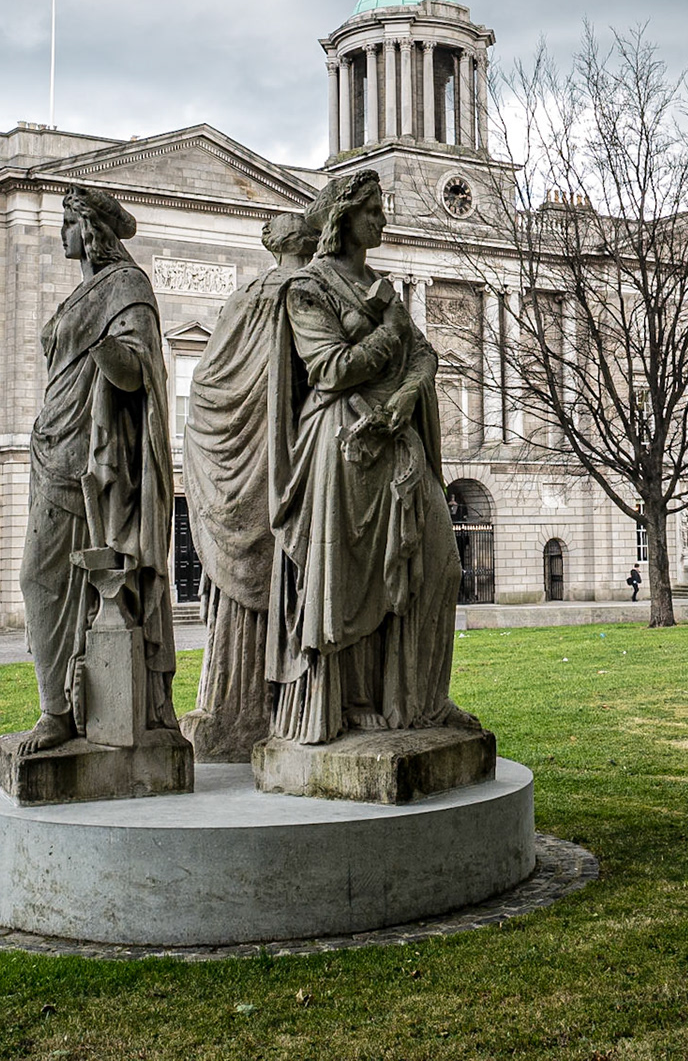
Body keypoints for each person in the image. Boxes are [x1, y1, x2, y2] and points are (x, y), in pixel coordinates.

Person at [264, 169, 481, 744]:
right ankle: (353, 704)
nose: (382, 220)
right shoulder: (308, 287)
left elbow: (426, 355)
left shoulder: (381, 284)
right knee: (353, 583)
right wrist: (386, 329)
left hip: (395, 434)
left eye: (382, 210)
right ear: (343, 217)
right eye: (373, 212)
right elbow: (329, 370)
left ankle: (423, 700)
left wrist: (410, 392)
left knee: (440, 565)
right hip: (345, 442)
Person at [13, 185, 179, 755]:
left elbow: (137, 373)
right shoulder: (85, 291)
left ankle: (64, 712)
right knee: (53, 580)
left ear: (89, 229)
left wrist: (107, 349)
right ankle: (65, 709)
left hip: (94, 454)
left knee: (47, 577)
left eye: (66, 223)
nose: (60, 233)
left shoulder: (126, 286)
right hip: (53, 444)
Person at [181, 211, 319, 760]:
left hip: (239, 460)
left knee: (249, 591)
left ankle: (231, 705)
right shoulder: (311, 292)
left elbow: (208, 382)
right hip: (295, 458)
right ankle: (287, 700)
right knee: (296, 574)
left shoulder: (243, 298)